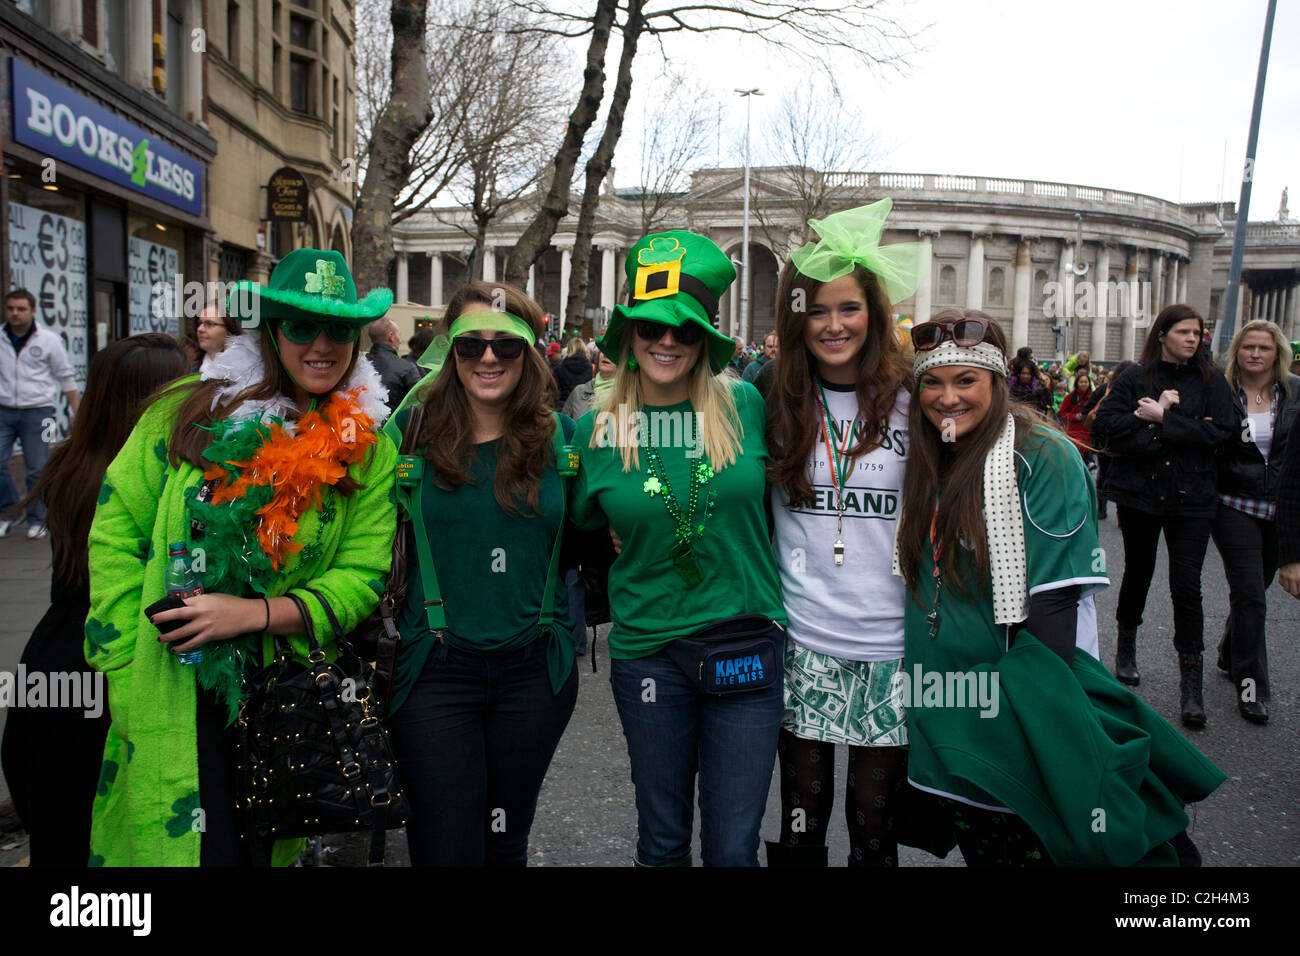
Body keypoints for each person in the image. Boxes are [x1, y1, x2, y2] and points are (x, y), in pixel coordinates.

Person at [83, 249, 398, 866]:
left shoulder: (366, 445)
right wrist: (121, 661)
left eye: (338, 330)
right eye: (301, 327)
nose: (322, 346)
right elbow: (115, 532)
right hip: (172, 679)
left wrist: (250, 615)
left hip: (284, 691)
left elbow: (361, 578)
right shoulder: (189, 409)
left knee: (255, 852)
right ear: (270, 331)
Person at [895, 310, 1223, 867]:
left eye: (966, 380)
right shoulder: (931, 455)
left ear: (997, 382)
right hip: (943, 706)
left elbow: (1051, 617)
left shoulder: (1043, 455)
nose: (947, 398)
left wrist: (996, 719)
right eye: (932, 381)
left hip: (1018, 711)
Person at [570, 231, 786, 867]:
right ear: (629, 337)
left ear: (704, 343)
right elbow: (580, 522)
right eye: (650, 329)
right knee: (661, 844)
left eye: (686, 332)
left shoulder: (744, 404)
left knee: (731, 849)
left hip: (744, 644)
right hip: (650, 654)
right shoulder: (597, 427)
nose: (667, 342)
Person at [383, 280, 578, 867]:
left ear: (529, 353)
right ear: (451, 351)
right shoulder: (408, 433)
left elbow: (604, 525)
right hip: (434, 669)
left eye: (506, 346)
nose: (488, 358)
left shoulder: (561, 439)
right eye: (471, 345)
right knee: (445, 846)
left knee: (504, 842)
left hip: (535, 672)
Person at [760, 200, 921, 867]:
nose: (832, 325)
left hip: (891, 646)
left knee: (875, 834)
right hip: (802, 643)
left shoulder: (917, 399)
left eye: (848, 308)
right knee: (800, 830)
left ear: (874, 313)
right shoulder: (768, 397)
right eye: (816, 310)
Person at [1, 334, 189, 867]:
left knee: (59, 830)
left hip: (51, 659)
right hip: (124, 659)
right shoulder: (161, 481)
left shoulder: (68, 463)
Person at [1092, 304, 1235, 727]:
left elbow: (1221, 436)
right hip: (1142, 495)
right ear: (1162, 335)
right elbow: (1107, 428)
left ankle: (1191, 688)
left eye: (1199, 333)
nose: (1194, 339)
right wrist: (1166, 428)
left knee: (1187, 586)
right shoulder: (1135, 377)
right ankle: (1126, 647)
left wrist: (1163, 417)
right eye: (1185, 332)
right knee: (1138, 573)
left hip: (1193, 497)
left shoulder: (1213, 381)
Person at [1209, 319, 1298, 725]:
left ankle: (1230, 650)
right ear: (1237, 352)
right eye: (1248, 347)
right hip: (1233, 504)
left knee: (1253, 593)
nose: (1256, 354)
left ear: (1277, 353)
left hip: (1279, 507)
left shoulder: (1295, 394)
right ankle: (1251, 689)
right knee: (1251, 595)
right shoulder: (1220, 393)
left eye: (1264, 348)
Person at [0, 289, 81, 539]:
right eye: (11, 308)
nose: (15, 313)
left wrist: (76, 410)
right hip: (3, 410)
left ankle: (38, 518)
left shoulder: (48, 340)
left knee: (39, 466)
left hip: (41, 411)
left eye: (21, 309)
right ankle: (10, 511)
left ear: (33, 311)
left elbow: (65, 376)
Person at [366, 316, 422, 411]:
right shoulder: (406, 368)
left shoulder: (359, 365)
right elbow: (420, 402)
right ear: (391, 337)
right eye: (398, 335)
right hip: (394, 424)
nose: (400, 341)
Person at [562, 349, 616, 420]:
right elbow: (562, 426)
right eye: (604, 348)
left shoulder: (628, 396)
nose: (605, 354)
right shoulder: (579, 391)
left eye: (613, 350)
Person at [1056, 371, 1094, 462]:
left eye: (1086, 382)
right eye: (1081, 382)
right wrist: (1074, 416)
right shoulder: (1070, 397)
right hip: (1074, 432)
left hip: (1088, 433)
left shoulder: (1093, 397)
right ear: (1077, 383)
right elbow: (1061, 413)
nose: (1084, 384)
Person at [195, 303, 242, 374]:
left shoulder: (247, 371)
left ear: (229, 330)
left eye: (209, 324)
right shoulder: (193, 370)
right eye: (200, 323)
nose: (200, 329)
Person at [552, 335, 594, 409]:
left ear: (569, 349)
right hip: (583, 406)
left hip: (563, 405)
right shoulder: (590, 367)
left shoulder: (560, 366)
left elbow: (554, 389)